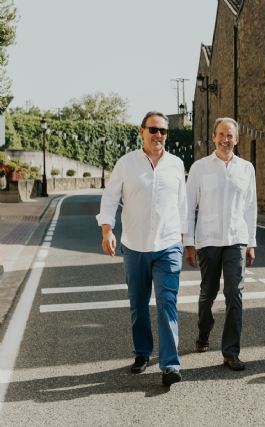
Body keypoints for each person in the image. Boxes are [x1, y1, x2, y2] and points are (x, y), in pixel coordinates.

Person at [97, 111, 187, 386]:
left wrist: (186, 240)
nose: (158, 135)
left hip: (168, 245)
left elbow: (183, 206)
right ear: (142, 131)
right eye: (153, 129)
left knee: (167, 303)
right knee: (138, 303)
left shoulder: (176, 164)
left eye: (162, 131)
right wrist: (108, 230)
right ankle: (142, 352)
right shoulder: (126, 164)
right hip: (134, 246)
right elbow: (110, 198)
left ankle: (170, 365)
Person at [184, 117, 257, 371]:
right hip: (208, 240)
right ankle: (204, 331)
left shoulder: (246, 168)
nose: (226, 140)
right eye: (221, 135)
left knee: (234, 294)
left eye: (231, 136)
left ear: (236, 139)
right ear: (213, 137)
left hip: (236, 238)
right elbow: (188, 206)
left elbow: (250, 207)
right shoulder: (200, 168)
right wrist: (188, 242)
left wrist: (251, 242)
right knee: (208, 292)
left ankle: (230, 352)